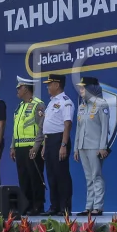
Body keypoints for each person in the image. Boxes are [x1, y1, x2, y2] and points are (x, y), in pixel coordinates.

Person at [74, 76, 110, 216]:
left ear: (91, 88)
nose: (81, 90)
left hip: (95, 146)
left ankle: (98, 206)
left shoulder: (101, 104)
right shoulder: (82, 106)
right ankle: (89, 206)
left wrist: (103, 147)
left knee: (96, 176)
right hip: (83, 146)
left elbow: (105, 127)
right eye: (80, 88)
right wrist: (76, 148)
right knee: (88, 177)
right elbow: (78, 128)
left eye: (83, 87)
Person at [10, 76, 46, 215]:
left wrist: (36, 146)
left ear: (26, 89)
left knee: (35, 177)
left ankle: (38, 206)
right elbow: (16, 128)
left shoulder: (38, 104)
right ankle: (26, 205)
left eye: (19, 88)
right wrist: (12, 146)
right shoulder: (19, 107)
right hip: (20, 148)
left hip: (32, 148)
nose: (17, 90)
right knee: (23, 178)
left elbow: (42, 127)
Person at [42, 73, 74, 214]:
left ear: (57, 84)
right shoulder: (51, 102)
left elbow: (67, 125)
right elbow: (47, 126)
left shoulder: (65, 102)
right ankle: (54, 206)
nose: (48, 87)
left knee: (61, 174)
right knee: (51, 175)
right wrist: (44, 146)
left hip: (59, 140)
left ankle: (64, 207)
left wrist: (63, 145)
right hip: (49, 140)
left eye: (50, 84)